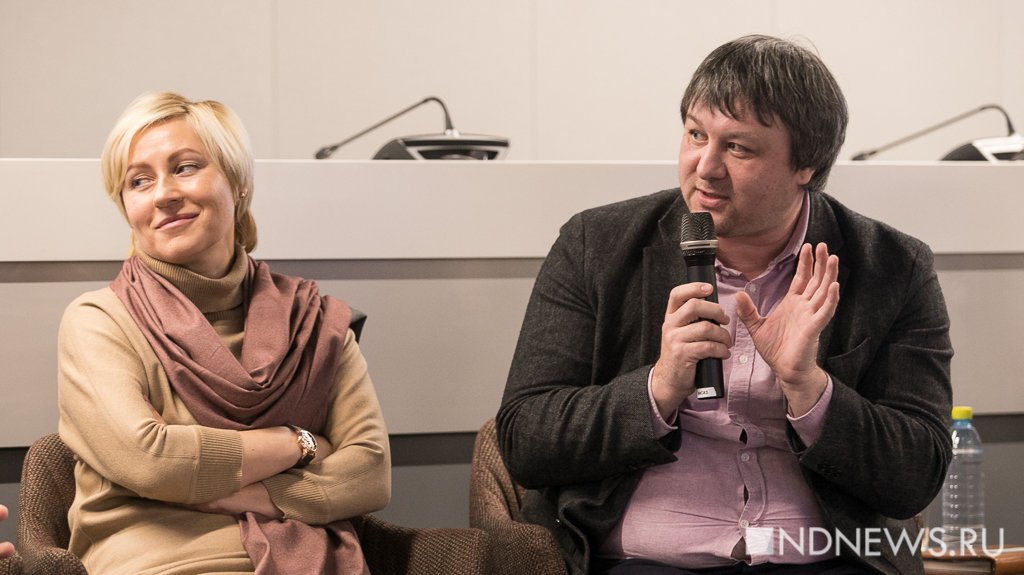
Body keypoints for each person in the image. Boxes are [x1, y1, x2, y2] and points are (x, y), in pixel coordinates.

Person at [497, 35, 952, 575]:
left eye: (738, 148)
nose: (705, 167)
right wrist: (660, 386)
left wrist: (810, 389)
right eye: (695, 134)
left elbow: (917, 473)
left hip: (826, 559)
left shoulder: (893, 267)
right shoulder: (596, 245)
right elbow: (526, 438)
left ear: (806, 164)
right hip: (647, 561)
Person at [57, 92, 390, 574]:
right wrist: (298, 442)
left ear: (239, 182)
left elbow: (370, 472)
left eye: (186, 167)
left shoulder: (316, 320)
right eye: (139, 181)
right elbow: (153, 460)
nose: (163, 194)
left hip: (308, 558)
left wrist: (257, 494)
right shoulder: (99, 320)